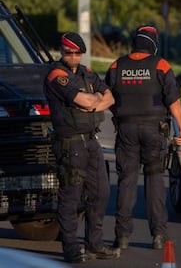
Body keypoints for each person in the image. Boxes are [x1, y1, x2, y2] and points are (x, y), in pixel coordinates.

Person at [105, 25, 181, 250]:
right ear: (153, 43)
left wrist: (122, 116)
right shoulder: (161, 65)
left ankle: (121, 236)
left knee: (127, 181)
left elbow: (106, 97)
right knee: (154, 181)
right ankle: (158, 235)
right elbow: (174, 102)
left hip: (126, 130)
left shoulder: (116, 65)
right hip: (154, 130)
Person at [44, 32, 120, 263]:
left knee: (101, 192)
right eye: (69, 52)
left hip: (90, 139)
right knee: (71, 196)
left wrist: (93, 104)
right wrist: (93, 100)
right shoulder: (57, 75)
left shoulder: (87, 73)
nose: (74, 57)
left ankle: (95, 244)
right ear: (62, 51)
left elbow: (110, 98)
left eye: (78, 53)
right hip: (70, 141)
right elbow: (87, 100)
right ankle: (71, 247)